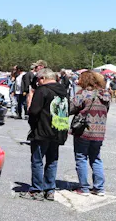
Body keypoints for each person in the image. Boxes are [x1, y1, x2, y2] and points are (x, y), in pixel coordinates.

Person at [19, 68, 69, 201]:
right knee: (52, 160)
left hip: (42, 130)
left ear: (43, 78)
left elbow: (34, 111)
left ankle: (36, 189)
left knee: (37, 161)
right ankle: (49, 189)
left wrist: (30, 102)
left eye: (38, 79)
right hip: (58, 130)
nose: (37, 82)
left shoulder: (42, 90)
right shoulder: (63, 91)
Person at [70, 71, 110, 196]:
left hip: (84, 130)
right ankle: (99, 188)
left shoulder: (82, 93)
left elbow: (71, 108)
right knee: (96, 158)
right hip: (99, 131)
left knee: (81, 158)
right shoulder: (105, 94)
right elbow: (106, 110)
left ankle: (84, 188)